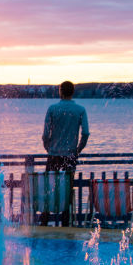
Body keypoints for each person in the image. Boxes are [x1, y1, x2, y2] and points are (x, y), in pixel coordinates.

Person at [42, 80, 89, 226]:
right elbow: (86, 133)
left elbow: (45, 134)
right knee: (66, 190)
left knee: (49, 188)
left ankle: (44, 221)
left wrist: (49, 148)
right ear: (73, 92)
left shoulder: (52, 109)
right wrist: (78, 150)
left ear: (60, 91)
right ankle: (65, 223)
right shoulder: (80, 110)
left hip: (54, 155)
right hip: (70, 156)